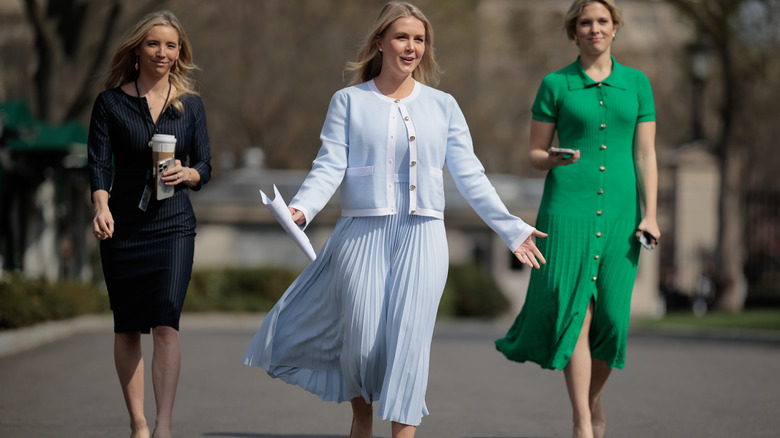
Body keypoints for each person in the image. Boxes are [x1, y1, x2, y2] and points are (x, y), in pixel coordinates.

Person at [242, 2, 546, 437]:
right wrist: (302, 208)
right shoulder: (348, 101)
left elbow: (471, 176)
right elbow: (329, 164)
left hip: (424, 235)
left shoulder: (444, 106)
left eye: (419, 39)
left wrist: (511, 228)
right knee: (362, 344)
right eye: (402, 37)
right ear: (380, 42)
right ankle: (361, 418)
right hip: (361, 234)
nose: (411, 47)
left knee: (410, 344)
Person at [494, 1, 660, 438]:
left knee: (612, 319)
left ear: (614, 28)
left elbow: (645, 154)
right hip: (567, 210)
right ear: (573, 31)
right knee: (575, 316)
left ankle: (592, 399)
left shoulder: (638, 84)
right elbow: (533, 154)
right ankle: (583, 423)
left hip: (624, 214)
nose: (594, 29)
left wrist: (653, 214)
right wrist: (552, 157)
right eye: (585, 22)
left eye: (602, 21)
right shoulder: (556, 84)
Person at [88, 10, 211, 438]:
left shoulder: (190, 105)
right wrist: (101, 206)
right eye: (155, 44)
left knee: (165, 322)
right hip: (123, 226)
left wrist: (189, 174)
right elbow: (99, 164)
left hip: (174, 224)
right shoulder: (111, 103)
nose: (163, 52)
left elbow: (206, 165)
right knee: (126, 326)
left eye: (171, 45)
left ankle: (163, 426)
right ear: (138, 48)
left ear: (180, 53)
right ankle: (138, 423)